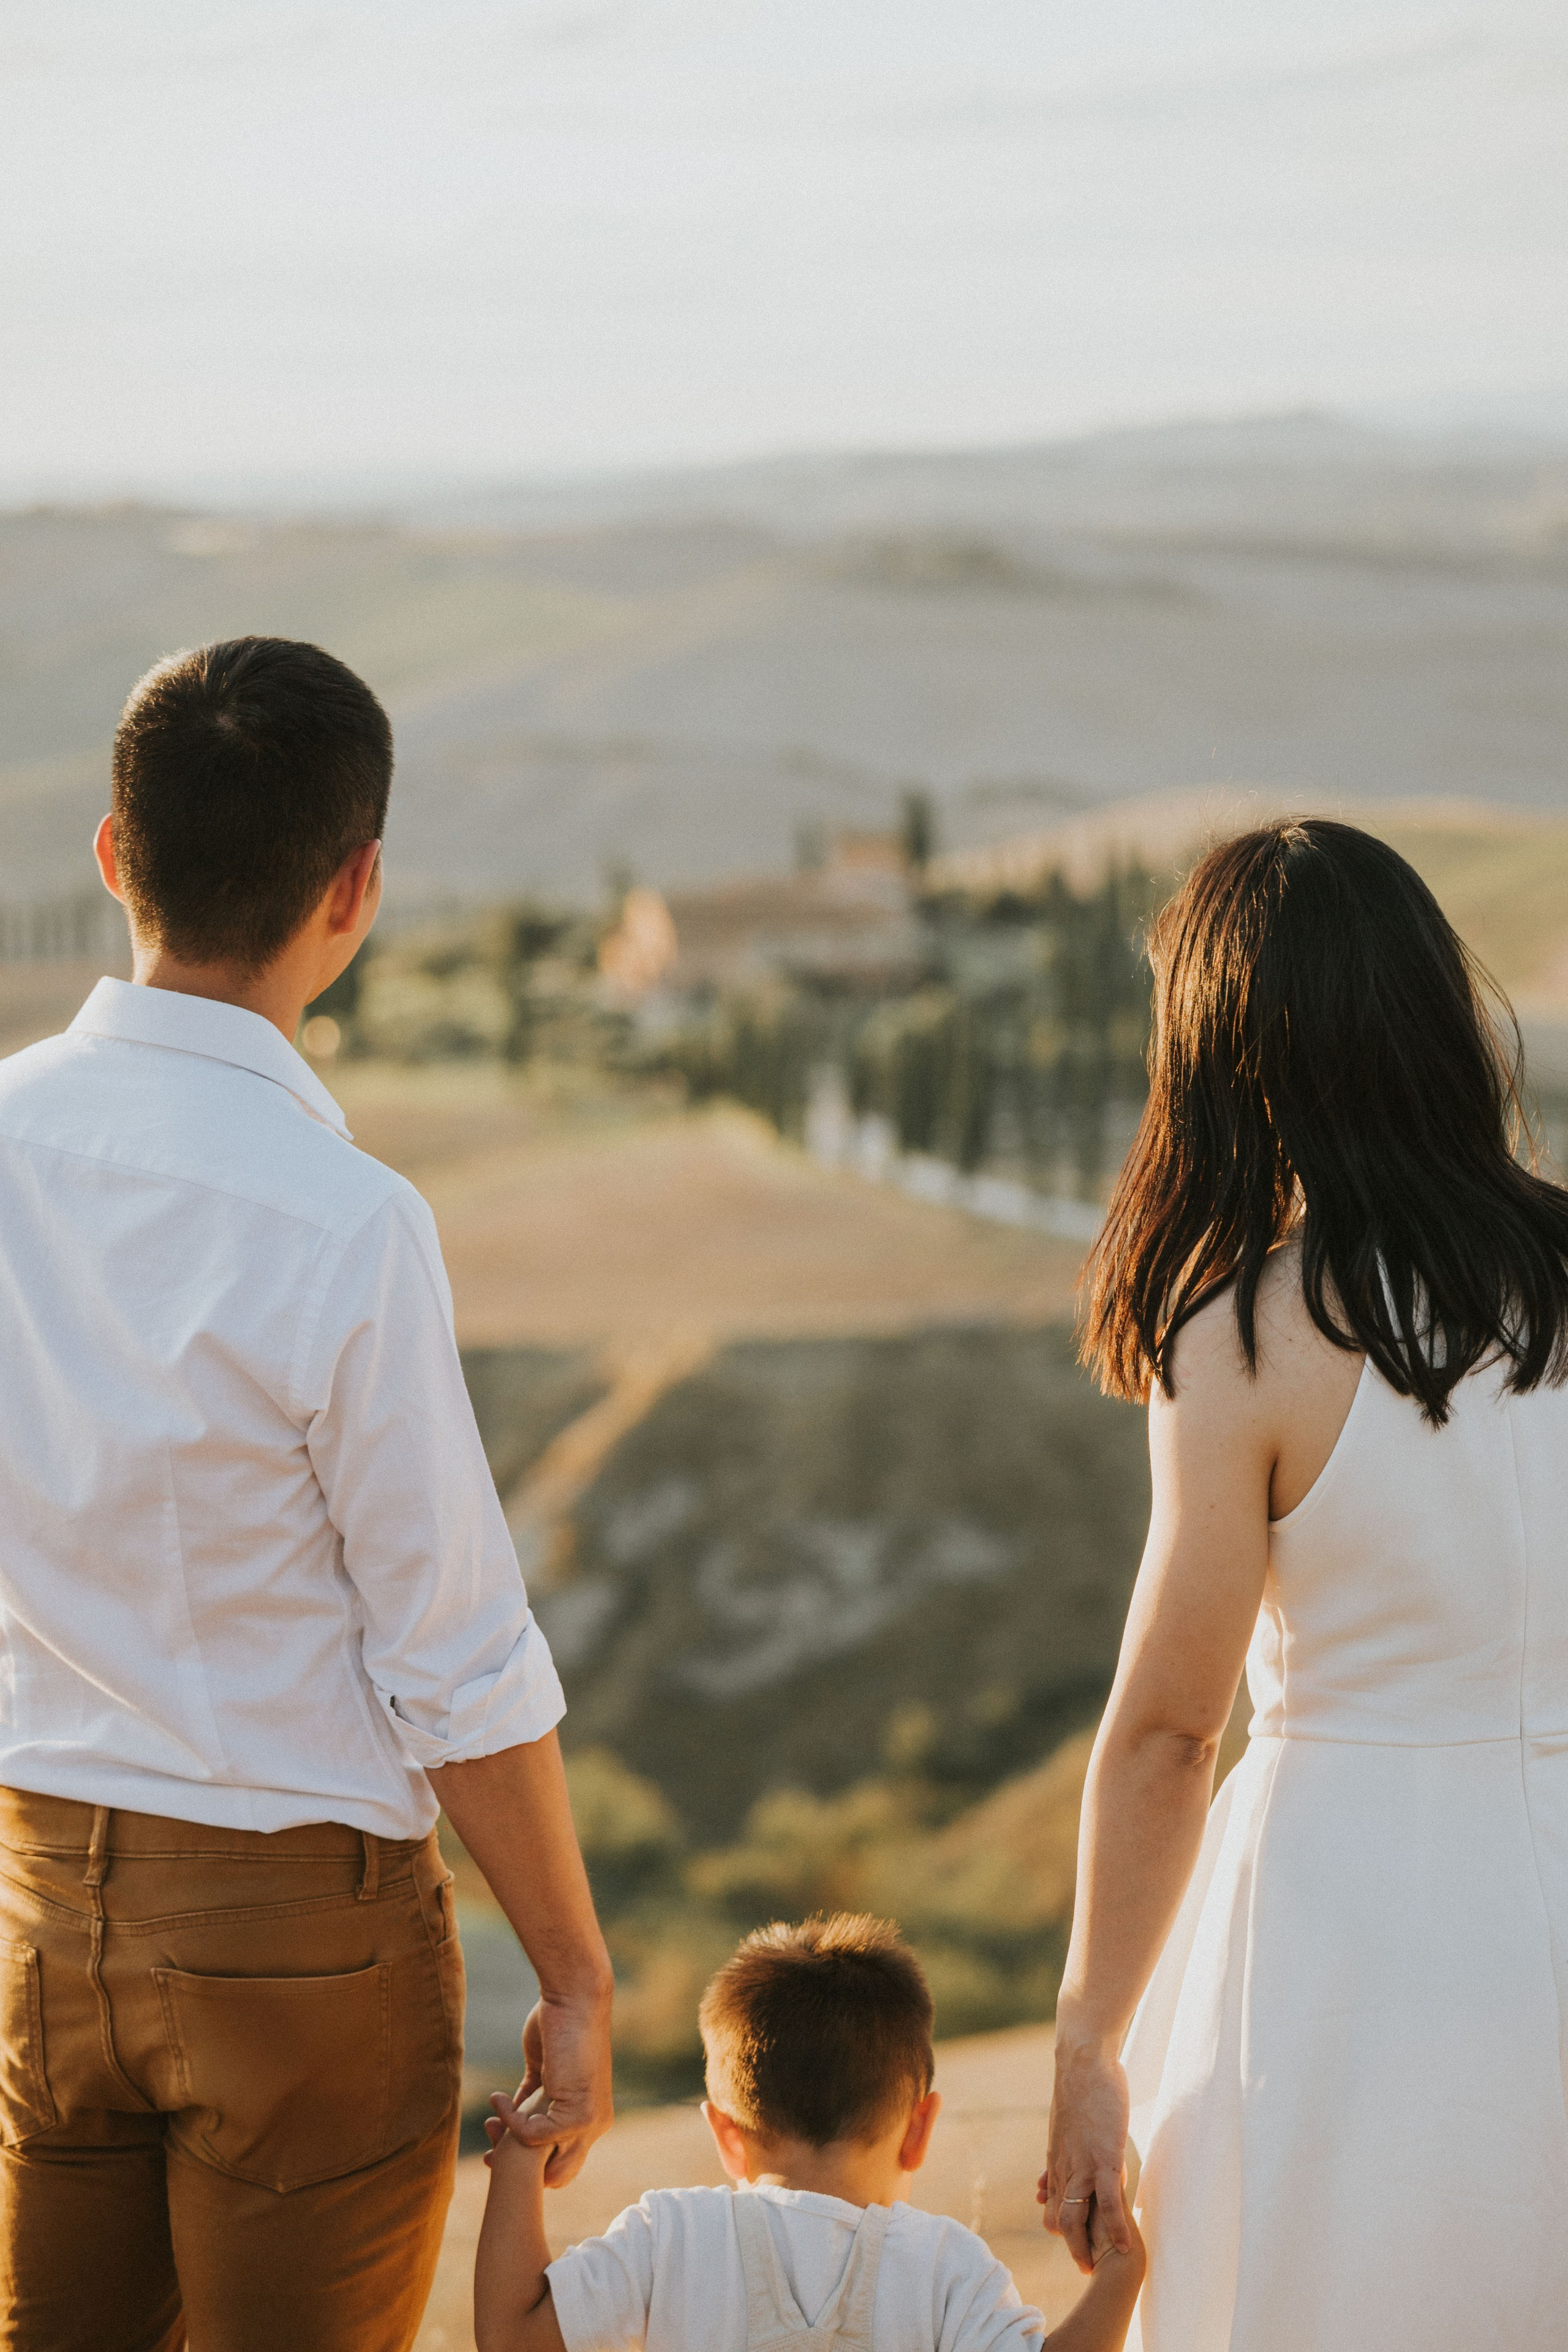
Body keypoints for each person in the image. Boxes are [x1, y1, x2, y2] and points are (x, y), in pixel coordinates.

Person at [0, 638, 613, 2351]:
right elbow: (455, 1657)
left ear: (114, 855)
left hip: (46, 1910)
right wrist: (570, 1971)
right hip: (299, 1943)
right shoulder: (344, 1222)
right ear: (356, 890)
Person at [1039, 819, 1568, 2350]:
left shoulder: (1248, 1338)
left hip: (1344, 1938)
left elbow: (1162, 1736)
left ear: (1225, 1054)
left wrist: (1087, 2039)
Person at [475, 1912, 1145, 2352]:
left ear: (725, 2134)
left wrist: (519, 2156)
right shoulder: (945, 2268)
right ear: (919, 2130)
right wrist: (1120, 2269)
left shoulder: (670, 2237)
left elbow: (511, 2335)